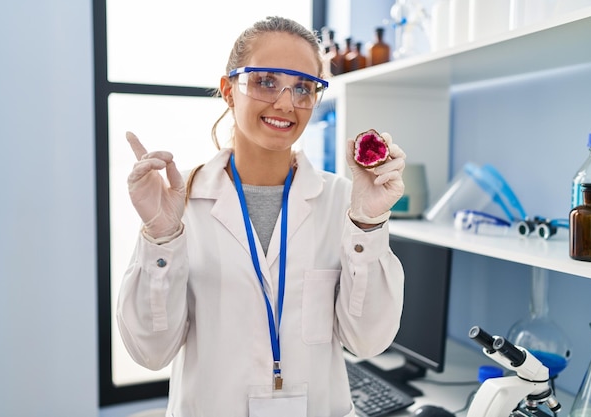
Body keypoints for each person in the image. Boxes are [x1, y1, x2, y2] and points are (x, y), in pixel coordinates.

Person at [117, 15, 407, 417]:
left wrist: (368, 225)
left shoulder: (343, 203)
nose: (286, 103)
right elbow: (150, 351)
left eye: (304, 87)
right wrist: (162, 235)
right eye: (265, 81)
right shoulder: (178, 202)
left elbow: (368, 341)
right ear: (228, 91)